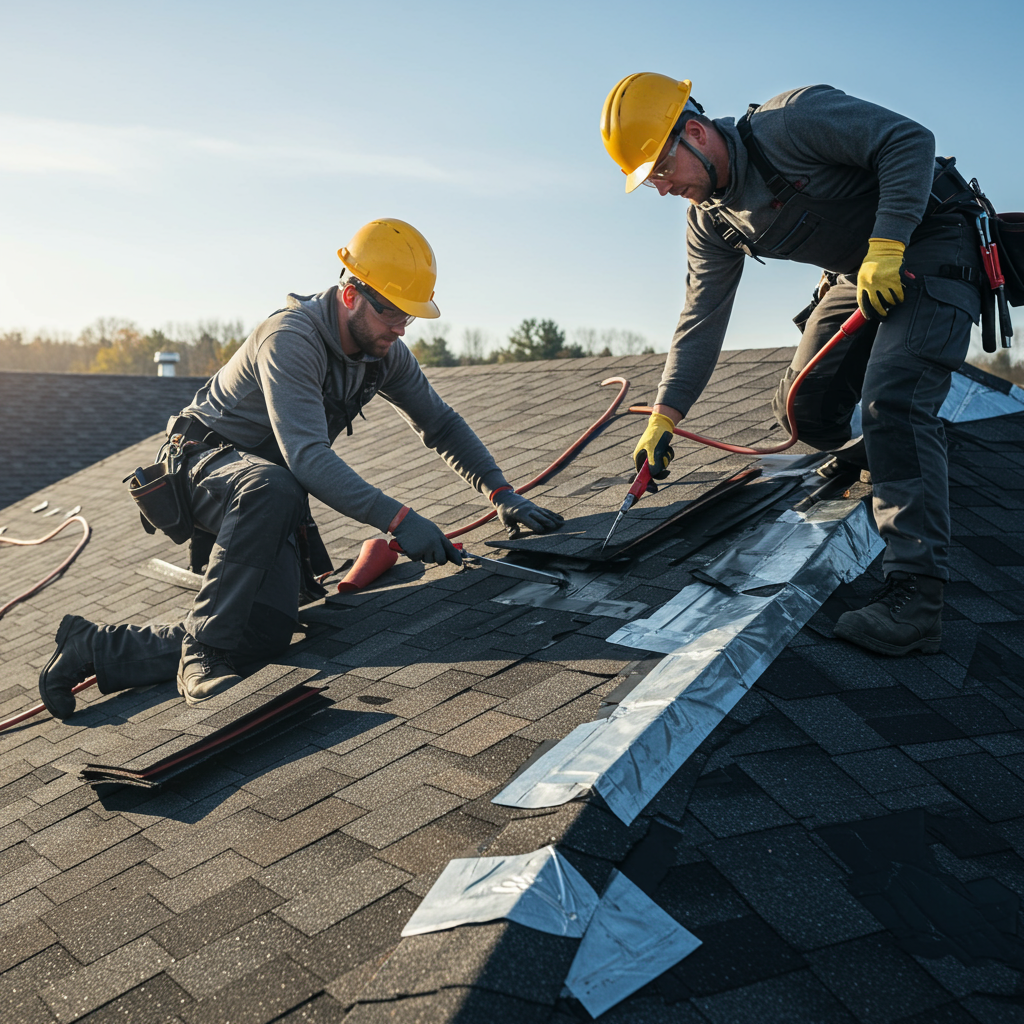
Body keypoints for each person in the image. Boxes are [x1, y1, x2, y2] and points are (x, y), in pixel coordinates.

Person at [38, 219, 563, 717]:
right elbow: (306, 456)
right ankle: (201, 652)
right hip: (203, 467)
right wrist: (401, 521)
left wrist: (500, 493)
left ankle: (94, 647)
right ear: (351, 294)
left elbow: (441, 425)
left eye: (409, 318)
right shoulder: (290, 337)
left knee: (263, 634)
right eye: (392, 314)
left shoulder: (384, 353)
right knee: (272, 488)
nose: (401, 330)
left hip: (266, 491)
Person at [602, 73, 987, 657]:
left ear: (698, 133)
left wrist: (887, 245)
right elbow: (701, 317)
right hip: (854, 271)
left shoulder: (792, 122)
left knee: (893, 403)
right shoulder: (712, 219)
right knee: (801, 408)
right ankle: (894, 456)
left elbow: (909, 141)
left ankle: (917, 601)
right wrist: (665, 414)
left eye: (660, 168)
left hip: (933, 238)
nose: (659, 188)